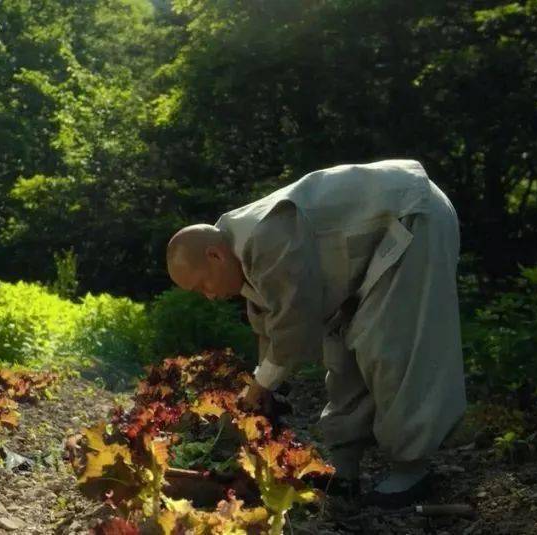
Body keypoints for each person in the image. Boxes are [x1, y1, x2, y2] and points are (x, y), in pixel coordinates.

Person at [165, 159, 467, 508]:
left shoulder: (267, 235)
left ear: (214, 255)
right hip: (368, 253)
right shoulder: (240, 256)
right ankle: (344, 467)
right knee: (340, 349)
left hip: (410, 217)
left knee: (390, 344)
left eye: (203, 284)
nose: (209, 295)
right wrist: (264, 389)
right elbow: (271, 331)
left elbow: (294, 324)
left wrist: (261, 385)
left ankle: (411, 469)